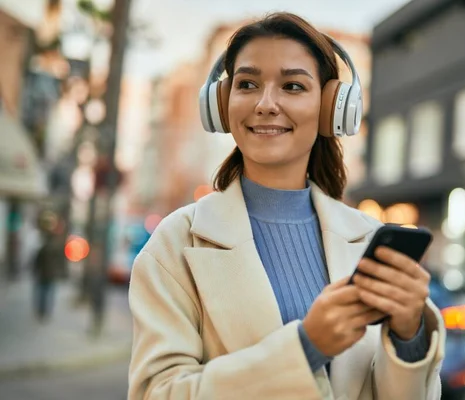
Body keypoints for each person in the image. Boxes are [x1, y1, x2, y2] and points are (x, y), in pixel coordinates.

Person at [128, 12, 445, 400]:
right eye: (247, 84)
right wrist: (306, 347)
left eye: (293, 86)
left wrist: (408, 336)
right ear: (222, 103)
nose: (265, 104)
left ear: (331, 107)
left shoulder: (368, 240)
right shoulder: (174, 246)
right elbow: (156, 393)